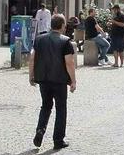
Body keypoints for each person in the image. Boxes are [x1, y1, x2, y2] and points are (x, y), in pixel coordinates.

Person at [28, 13, 76, 151]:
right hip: (59, 80)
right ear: (62, 26)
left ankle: (40, 130)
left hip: (43, 79)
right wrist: (73, 81)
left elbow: (32, 58)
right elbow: (69, 63)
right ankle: (58, 140)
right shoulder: (65, 41)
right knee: (61, 109)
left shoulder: (39, 39)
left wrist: (31, 75)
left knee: (46, 106)